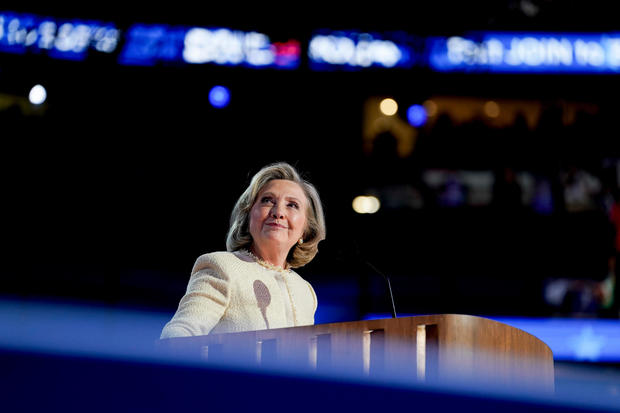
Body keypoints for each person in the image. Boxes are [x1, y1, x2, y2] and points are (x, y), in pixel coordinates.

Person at [160, 162, 326, 338]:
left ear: (306, 229)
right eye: (267, 200)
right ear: (248, 216)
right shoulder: (223, 267)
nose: (278, 212)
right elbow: (179, 334)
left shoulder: (305, 291)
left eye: (292, 205)